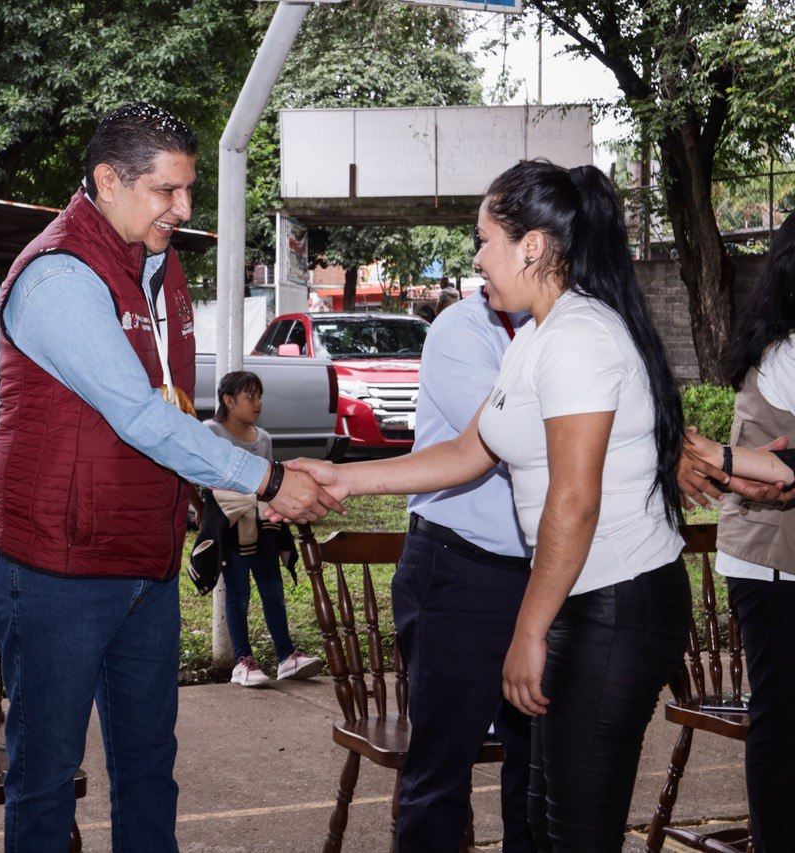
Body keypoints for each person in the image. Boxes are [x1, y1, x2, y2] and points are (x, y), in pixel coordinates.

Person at [284, 159, 691, 850]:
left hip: (617, 602)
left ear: (532, 245)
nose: (475, 258)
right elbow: (470, 453)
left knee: (575, 830)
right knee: (542, 805)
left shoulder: (578, 338)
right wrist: (344, 478)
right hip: (582, 597)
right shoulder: (535, 336)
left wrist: (527, 630)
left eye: (483, 240)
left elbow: (574, 502)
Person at [0, 102, 339, 851]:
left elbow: (178, 410)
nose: (182, 209)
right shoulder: (58, 275)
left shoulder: (160, 261)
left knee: (150, 769)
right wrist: (266, 482)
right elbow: (141, 417)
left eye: (187, 190)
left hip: (143, 561)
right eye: (166, 191)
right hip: (57, 568)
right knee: (45, 780)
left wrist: (224, 491)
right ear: (108, 181)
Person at [391, 277, 533, 851]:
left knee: (537, 768)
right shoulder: (461, 331)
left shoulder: (565, 329)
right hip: (459, 571)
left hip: (542, 577)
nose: (479, 261)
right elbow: (516, 438)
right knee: (440, 774)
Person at [676, 214, 795, 852]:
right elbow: (778, 471)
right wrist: (720, 459)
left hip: (771, 558)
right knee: (780, 718)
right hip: (774, 564)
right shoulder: (788, 352)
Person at [200, 371, 322, 688]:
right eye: (250, 396)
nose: (258, 403)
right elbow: (200, 480)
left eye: (260, 396)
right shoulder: (209, 432)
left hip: (263, 525)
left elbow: (269, 486)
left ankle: (286, 656)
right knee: (238, 591)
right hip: (230, 527)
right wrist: (209, 517)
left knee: (272, 588)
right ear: (228, 400)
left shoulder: (263, 439)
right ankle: (243, 660)